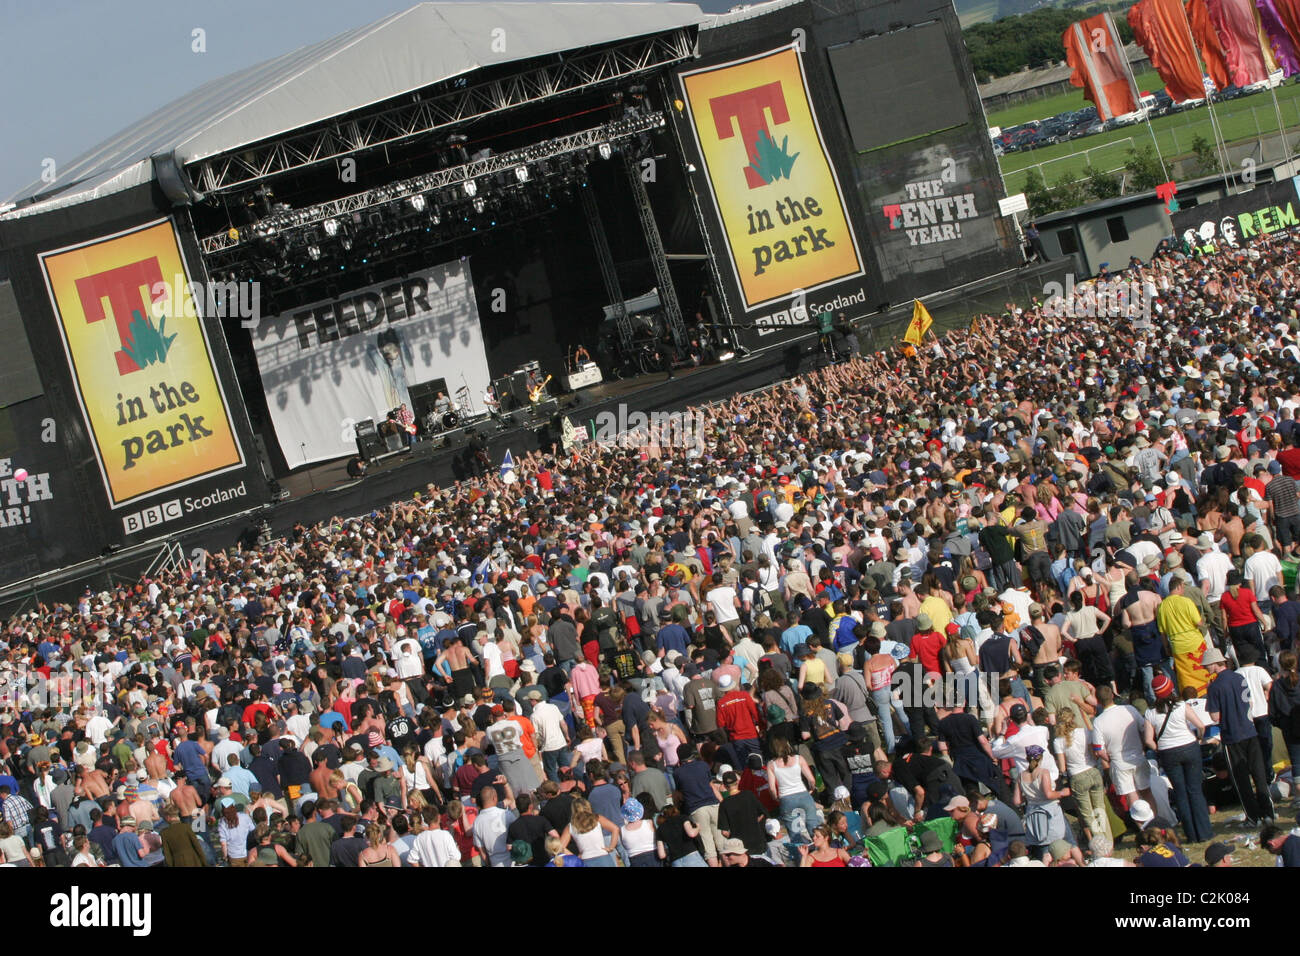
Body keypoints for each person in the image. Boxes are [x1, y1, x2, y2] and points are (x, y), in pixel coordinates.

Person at [1204, 646, 1276, 825]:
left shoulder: (1214, 687)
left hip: (1232, 736)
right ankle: (1268, 813)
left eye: (1207, 665)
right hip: (1250, 731)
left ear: (1214, 664)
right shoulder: (1239, 677)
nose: (1205, 668)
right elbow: (1250, 702)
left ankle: (1253, 817)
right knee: (1259, 775)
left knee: (1241, 779)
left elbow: (1214, 717)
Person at [1141, 679, 1213, 844]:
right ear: (1171, 688)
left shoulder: (1151, 713)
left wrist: (1160, 748)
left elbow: (1148, 740)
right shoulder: (1181, 706)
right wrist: (1198, 738)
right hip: (1189, 746)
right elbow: (1200, 726)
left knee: (1180, 793)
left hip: (1168, 752)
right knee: (1195, 790)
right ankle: (1204, 832)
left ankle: (1191, 835)